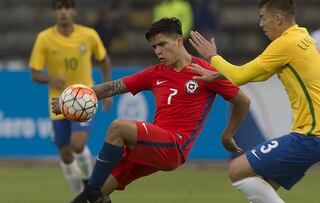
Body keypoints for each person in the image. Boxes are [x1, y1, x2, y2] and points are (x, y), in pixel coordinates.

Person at [51, 17, 250, 203]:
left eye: (162, 44)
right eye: (154, 47)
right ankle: (94, 192)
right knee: (99, 195)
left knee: (118, 127)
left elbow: (242, 100)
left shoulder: (204, 72)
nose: (158, 51)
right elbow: (112, 87)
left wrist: (227, 134)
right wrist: (70, 100)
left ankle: (90, 187)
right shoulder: (155, 74)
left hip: (174, 146)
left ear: (179, 40)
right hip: (152, 146)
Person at [188, 0, 320, 202]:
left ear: (277, 19)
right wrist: (219, 75)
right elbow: (258, 73)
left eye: (262, 17)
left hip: (309, 136)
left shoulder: (285, 44)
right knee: (263, 189)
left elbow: (240, 76)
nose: (261, 24)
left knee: (236, 170)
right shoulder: (301, 36)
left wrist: (212, 57)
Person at [28, 0, 112, 194]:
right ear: (54, 13)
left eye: (67, 8)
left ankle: (92, 187)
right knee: (66, 154)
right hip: (58, 101)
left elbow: (104, 59)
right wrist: (50, 78)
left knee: (77, 144)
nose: (63, 12)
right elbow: (35, 74)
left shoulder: (89, 35)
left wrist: (106, 90)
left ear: (73, 12)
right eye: (59, 9)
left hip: (84, 99)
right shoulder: (44, 38)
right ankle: (79, 194)